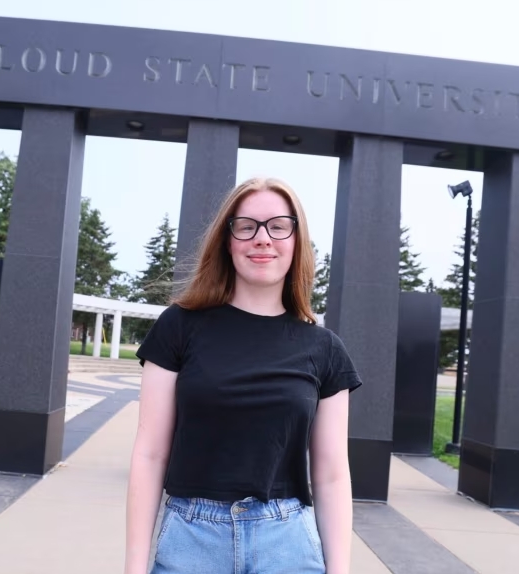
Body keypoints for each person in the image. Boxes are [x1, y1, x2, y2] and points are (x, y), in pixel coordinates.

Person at [124, 177, 363, 574]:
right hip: (191, 540)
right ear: (227, 239)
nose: (262, 238)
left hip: (287, 545)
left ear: (296, 241)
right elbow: (150, 454)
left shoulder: (325, 349)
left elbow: (332, 474)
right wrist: (133, 567)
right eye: (247, 225)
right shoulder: (178, 327)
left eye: (278, 226)